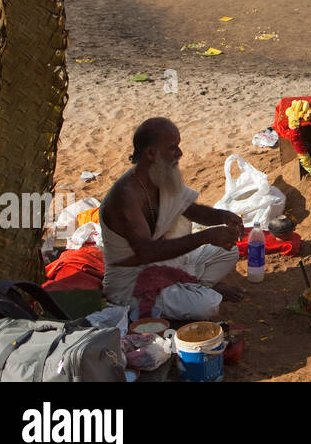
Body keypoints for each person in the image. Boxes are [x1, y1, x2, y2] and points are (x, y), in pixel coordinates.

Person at [99, 118, 244, 309]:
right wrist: (205, 237)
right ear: (151, 153)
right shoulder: (125, 196)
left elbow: (194, 211)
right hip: (131, 282)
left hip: (165, 262)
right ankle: (199, 292)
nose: (180, 153)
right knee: (207, 306)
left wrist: (223, 216)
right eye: (173, 148)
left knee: (230, 250)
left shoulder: (161, 177)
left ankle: (197, 288)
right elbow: (146, 253)